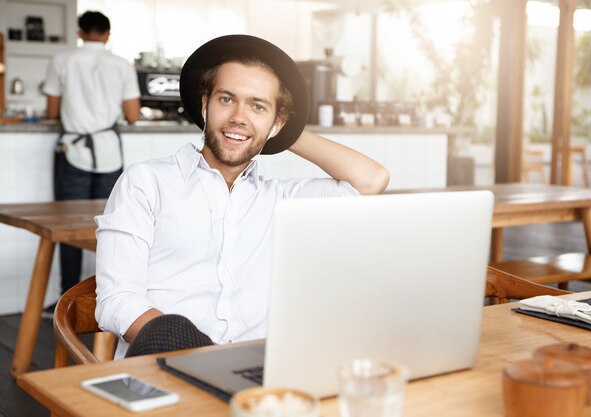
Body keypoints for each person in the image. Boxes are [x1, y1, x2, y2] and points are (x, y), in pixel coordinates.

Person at [94, 35, 389, 358]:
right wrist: (201, 357)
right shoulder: (146, 182)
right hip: (163, 370)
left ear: (277, 123)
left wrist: (278, 130)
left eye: (257, 106)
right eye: (226, 100)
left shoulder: (280, 200)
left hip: (254, 378)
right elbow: (117, 301)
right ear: (204, 104)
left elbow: (371, 180)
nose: (238, 116)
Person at [42, 11, 141, 309]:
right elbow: (134, 115)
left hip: (74, 152)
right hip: (109, 153)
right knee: (112, 228)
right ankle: (107, 298)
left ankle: (66, 303)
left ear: (80, 32)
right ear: (108, 35)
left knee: (68, 227)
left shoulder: (62, 60)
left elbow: (50, 111)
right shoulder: (122, 65)